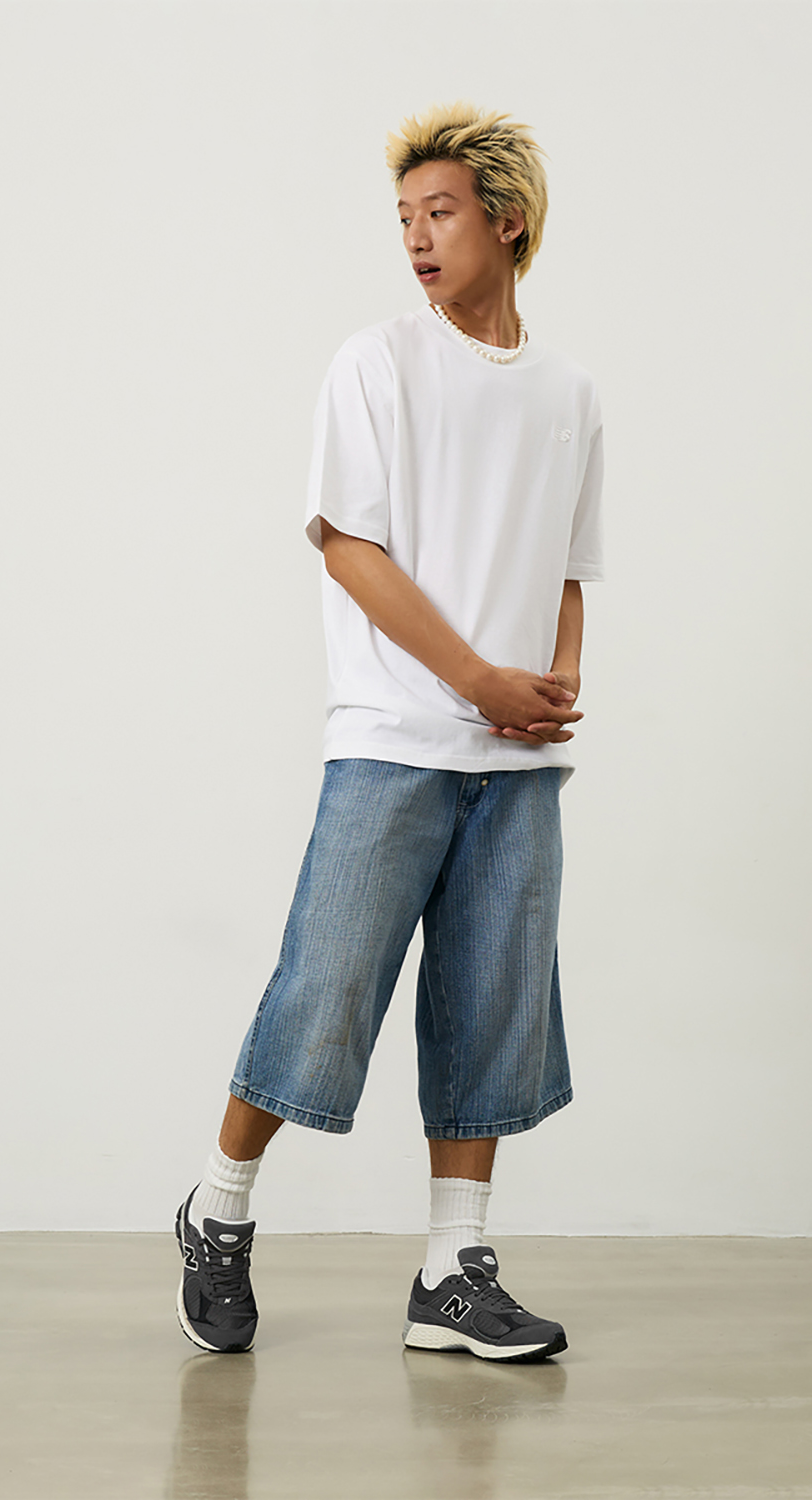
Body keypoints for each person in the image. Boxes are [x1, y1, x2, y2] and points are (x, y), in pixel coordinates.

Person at [174, 100, 604, 1364]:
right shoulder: (375, 364)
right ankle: (218, 1209)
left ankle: (451, 1274)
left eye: (440, 213)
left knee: (491, 1007)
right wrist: (477, 678)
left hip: (516, 759)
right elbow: (349, 549)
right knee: (327, 987)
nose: (416, 237)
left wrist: (556, 683)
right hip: (392, 738)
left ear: (506, 222)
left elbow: (570, 568)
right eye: (404, 217)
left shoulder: (570, 394)